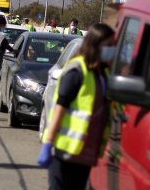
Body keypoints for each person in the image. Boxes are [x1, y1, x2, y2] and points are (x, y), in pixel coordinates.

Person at [38, 23, 115, 190]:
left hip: (86, 153)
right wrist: (48, 143)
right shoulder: (77, 71)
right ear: (96, 45)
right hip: (65, 151)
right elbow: (59, 110)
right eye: (108, 46)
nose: (112, 50)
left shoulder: (103, 74)